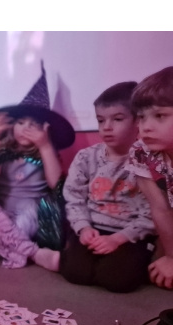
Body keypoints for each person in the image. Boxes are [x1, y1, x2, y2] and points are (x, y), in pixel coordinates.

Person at [58, 82, 156, 292]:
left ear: (137, 121)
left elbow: (153, 212)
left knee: (117, 280)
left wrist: (118, 239)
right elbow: (74, 197)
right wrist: (83, 228)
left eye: (117, 119)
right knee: (75, 273)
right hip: (93, 227)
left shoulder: (148, 160)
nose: (107, 127)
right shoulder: (86, 157)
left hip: (129, 232)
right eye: (101, 120)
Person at [0, 62, 75, 269]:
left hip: (30, 216)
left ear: (45, 130)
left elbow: (55, 184)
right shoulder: (3, 152)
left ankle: (1, 242)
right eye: (21, 123)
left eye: (33, 125)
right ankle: (27, 250)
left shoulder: (46, 153)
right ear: (12, 126)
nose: (25, 129)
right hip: (2, 214)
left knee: (35, 207)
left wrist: (44, 145)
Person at [126, 66, 173, 290]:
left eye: (160, 115)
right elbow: (160, 208)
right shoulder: (142, 151)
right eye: (141, 117)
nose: (145, 127)